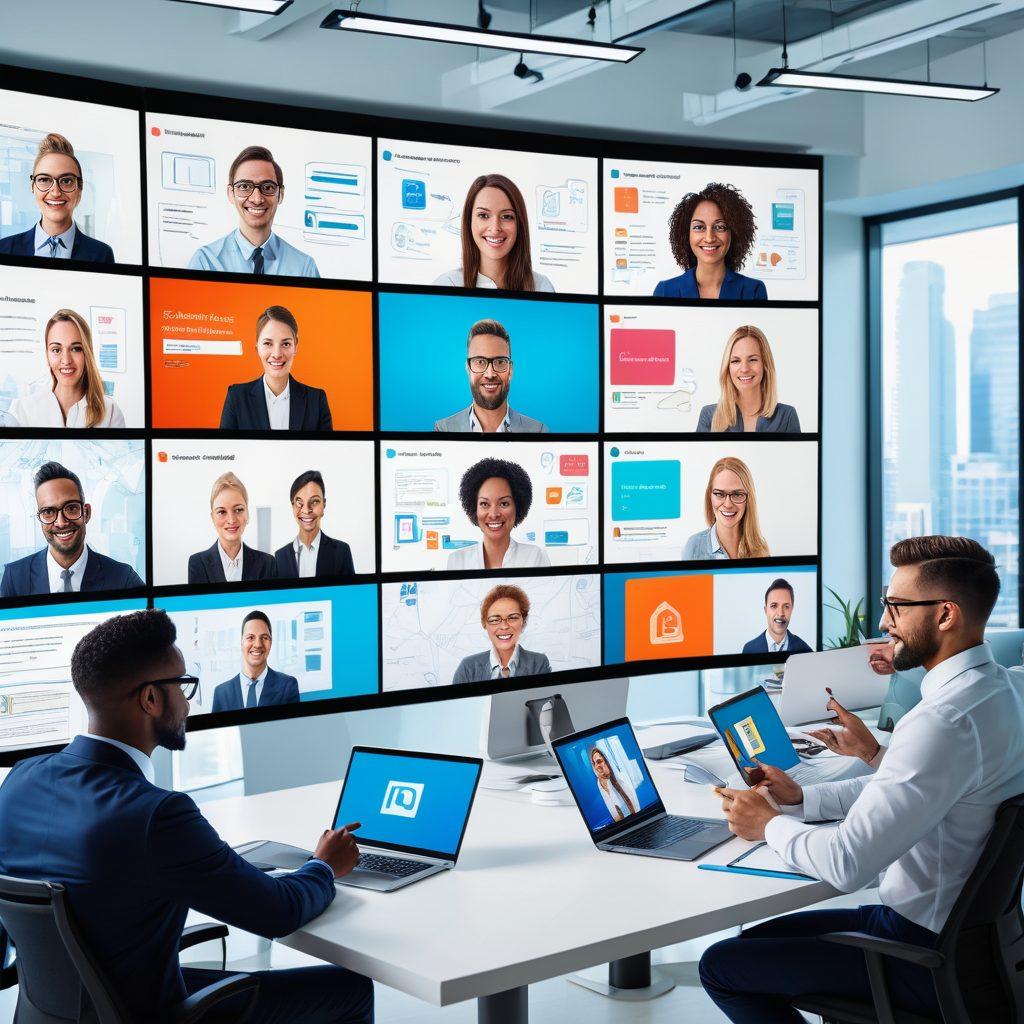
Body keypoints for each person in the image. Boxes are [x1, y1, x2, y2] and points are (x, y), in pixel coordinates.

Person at [703, 535, 1024, 1024]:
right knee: (753, 943)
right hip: (974, 948)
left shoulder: (941, 721)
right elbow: (913, 782)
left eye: (896, 607)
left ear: (945, 615)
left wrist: (767, 823)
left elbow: (847, 863)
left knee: (722, 965)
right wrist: (803, 797)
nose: (882, 622)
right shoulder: (1005, 690)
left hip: (920, 952)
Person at [0, 609, 373, 1023]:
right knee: (351, 988)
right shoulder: (155, 814)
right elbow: (279, 912)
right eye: (184, 685)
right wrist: (323, 866)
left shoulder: (19, 781)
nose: (190, 701)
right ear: (151, 699)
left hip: (67, 1006)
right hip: (148, 1012)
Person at [0, 461, 143, 597]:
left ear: (86, 513)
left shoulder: (123, 578)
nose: (61, 523)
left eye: (71, 508)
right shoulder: (14, 578)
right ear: (40, 519)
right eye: (48, 512)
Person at [188, 145, 319, 277]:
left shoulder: (304, 268)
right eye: (244, 186)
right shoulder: (205, 262)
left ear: (281, 194)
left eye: (267, 187)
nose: (257, 199)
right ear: (230, 194)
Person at [0, 133, 114, 263]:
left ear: (80, 189)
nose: (55, 192)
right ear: (33, 187)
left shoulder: (102, 255)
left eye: (66, 181)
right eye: (44, 179)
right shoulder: (4, 249)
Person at [432, 174, 554, 292]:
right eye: (483, 215)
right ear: (469, 221)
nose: (495, 228)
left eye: (506, 216)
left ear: (519, 224)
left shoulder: (542, 286)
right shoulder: (447, 284)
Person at [7, 308, 126, 428]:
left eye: (76, 349)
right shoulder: (21, 412)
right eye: (56, 350)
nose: (66, 360)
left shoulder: (110, 412)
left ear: (87, 354)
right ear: (47, 355)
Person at [219, 306, 333, 431]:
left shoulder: (316, 401)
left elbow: (325, 450)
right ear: (257, 348)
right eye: (268, 343)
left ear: (295, 347)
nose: (277, 354)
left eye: (286, 344)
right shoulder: (236, 397)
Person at [653, 183, 765, 300]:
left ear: (734, 233)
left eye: (720, 227)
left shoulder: (753, 291)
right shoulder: (665, 291)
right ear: (686, 234)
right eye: (699, 227)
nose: (709, 238)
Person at [434, 318, 548, 433]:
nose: (490, 374)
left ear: (510, 370)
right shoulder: (443, 429)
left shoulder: (538, 431)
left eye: (500, 362)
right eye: (480, 362)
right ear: (468, 369)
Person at [446, 457, 551, 570]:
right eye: (485, 504)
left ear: (517, 506)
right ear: (474, 508)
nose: (494, 514)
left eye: (504, 503)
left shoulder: (536, 557)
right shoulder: (457, 561)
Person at [696, 326, 800, 433]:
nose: (744, 369)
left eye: (753, 360)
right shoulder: (708, 416)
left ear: (765, 364)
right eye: (736, 361)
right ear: (727, 367)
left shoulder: (787, 416)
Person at [187, 472, 278, 584]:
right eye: (222, 512)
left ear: (247, 514)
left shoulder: (268, 563)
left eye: (238, 510)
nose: (231, 520)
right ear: (213, 517)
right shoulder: (198, 563)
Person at [452, 584, 551, 684]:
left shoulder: (539, 663)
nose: (504, 626)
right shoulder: (468, 667)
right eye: (495, 619)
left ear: (523, 622)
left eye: (512, 618)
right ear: (484, 624)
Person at [211, 610, 300, 712]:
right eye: (250, 637)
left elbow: (291, 727)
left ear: (271, 642)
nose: (258, 644)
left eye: (264, 637)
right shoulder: (221, 693)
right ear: (241, 642)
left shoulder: (287, 685)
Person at [682, 456, 769, 560]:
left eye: (737, 494)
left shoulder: (760, 549)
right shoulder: (694, 546)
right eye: (719, 494)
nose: (728, 504)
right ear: (710, 496)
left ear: (748, 499)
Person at [274, 469, 355, 579]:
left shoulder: (341, 552)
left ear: (324, 505)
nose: (306, 510)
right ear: (293, 507)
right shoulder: (280, 557)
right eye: (299, 503)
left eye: (315, 501)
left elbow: (349, 594)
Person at [742, 578, 812, 654]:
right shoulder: (749, 649)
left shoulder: (805, 651)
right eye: (774, 606)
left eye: (786, 606)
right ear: (766, 610)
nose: (780, 613)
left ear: (792, 610)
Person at [590, 745, 638, 822]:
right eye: (594, 763)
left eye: (599, 761)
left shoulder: (622, 781)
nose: (596, 766)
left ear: (607, 761)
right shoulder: (599, 783)